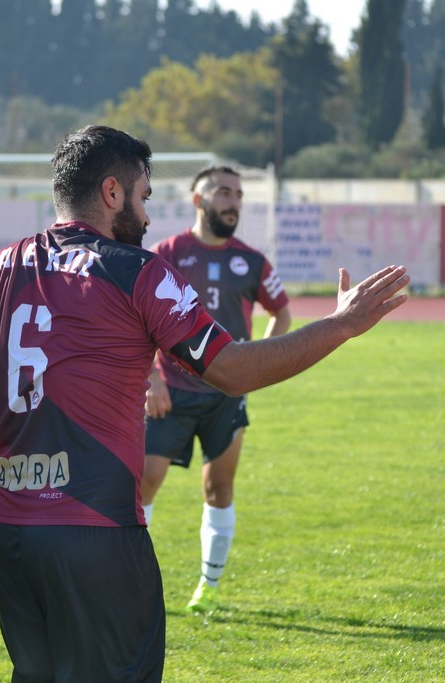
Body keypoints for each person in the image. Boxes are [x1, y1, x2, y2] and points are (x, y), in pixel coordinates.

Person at [0, 124, 411, 683]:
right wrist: (340, 325)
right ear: (111, 192)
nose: (148, 214)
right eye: (143, 196)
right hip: (93, 527)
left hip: (4, 527)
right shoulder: (139, 272)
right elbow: (233, 371)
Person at [141, 165, 291, 612]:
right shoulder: (165, 254)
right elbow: (138, 321)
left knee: (219, 489)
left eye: (239, 195)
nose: (233, 202)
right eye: (224, 192)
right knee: (141, 487)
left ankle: (208, 589)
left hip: (225, 396)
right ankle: (131, 584)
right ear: (198, 200)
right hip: (169, 393)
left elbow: (281, 313)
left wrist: (253, 369)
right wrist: (151, 379)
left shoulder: (252, 261)